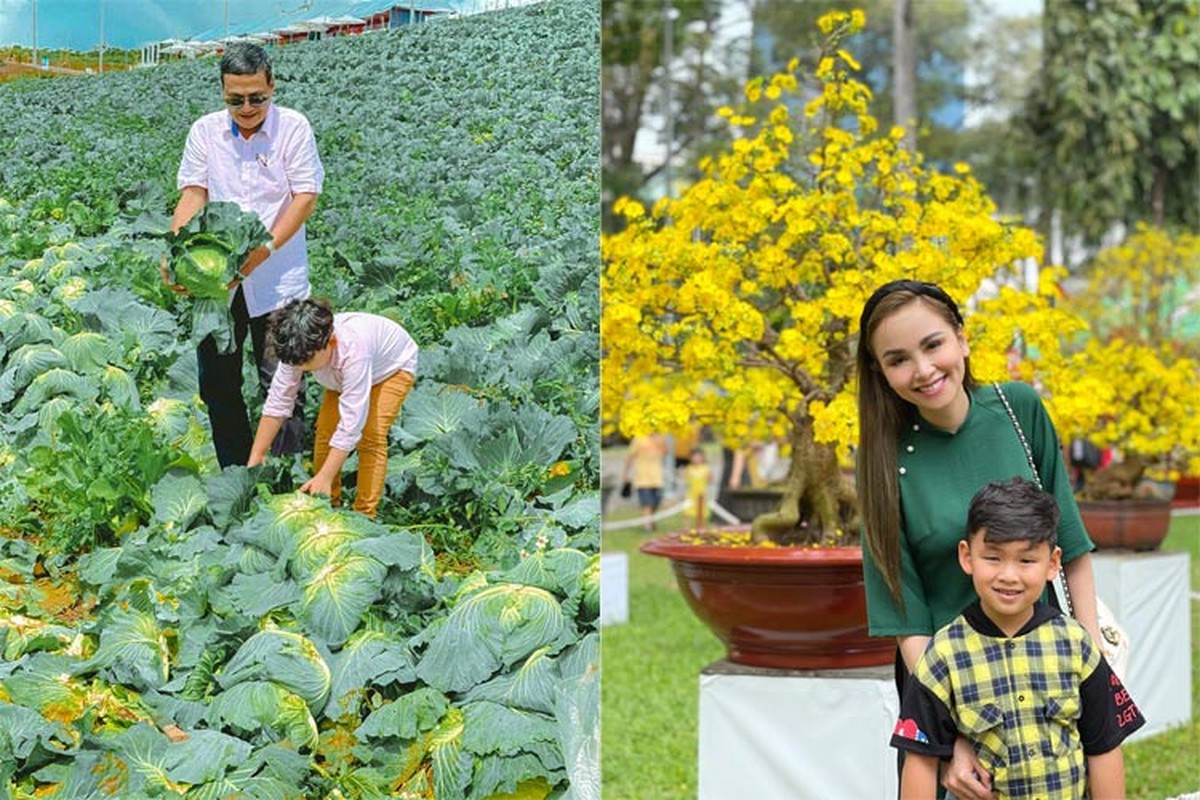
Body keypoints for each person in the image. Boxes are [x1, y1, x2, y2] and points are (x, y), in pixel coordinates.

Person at [855, 280, 1103, 800]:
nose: (923, 370)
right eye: (898, 359)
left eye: (933, 345)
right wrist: (952, 735)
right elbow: (907, 611)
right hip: (945, 686)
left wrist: (1091, 660)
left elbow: (1071, 547)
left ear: (962, 340)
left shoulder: (1018, 409)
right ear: (880, 372)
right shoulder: (882, 460)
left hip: (1045, 667)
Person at [891, 477, 1143, 799]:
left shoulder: (1077, 645)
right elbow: (920, 759)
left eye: (1026, 560)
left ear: (1052, 563)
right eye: (993, 558)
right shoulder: (943, 656)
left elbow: (1104, 746)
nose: (1008, 575)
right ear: (967, 557)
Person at [165, 42, 324, 468]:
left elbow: (305, 196)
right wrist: (177, 247)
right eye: (236, 100)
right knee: (218, 385)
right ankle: (235, 473)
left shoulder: (293, 128)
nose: (248, 107)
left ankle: (284, 476)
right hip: (220, 288)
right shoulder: (204, 132)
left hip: (279, 280)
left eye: (257, 97)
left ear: (272, 85)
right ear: (222, 93)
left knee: (283, 382)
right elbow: (193, 194)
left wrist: (264, 249)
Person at [247, 298, 418, 518]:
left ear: (331, 342)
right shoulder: (297, 345)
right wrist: (258, 453)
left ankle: (365, 515)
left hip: (391, 368)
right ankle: (329, 505)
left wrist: (326, 475)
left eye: (306, 363)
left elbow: (351, 423)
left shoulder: (353, 350)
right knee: (326, 431)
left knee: (370, 435)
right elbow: (278, 401)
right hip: (340, 377)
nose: (301, 368)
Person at [622, 433, 669, 532]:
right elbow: (631, 456)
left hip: (657, 476)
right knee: (647, 502)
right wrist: (626, 473)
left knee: (656, 501)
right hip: (642, 477)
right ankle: (647, 526)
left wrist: (660, 442)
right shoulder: (638, 438)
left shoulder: (660, 437)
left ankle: (651, 520)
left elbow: (666, 452)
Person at [683, 448, 712, 530]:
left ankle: (701, 527)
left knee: (702, 513)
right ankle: (686, 528)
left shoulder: (706, 468)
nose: (697, 459)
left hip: (702, 494)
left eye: (699, 457)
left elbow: (710, 479)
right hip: (691, 494)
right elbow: (685, 481)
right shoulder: (689, 468)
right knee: (687, 511)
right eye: (694, 457)